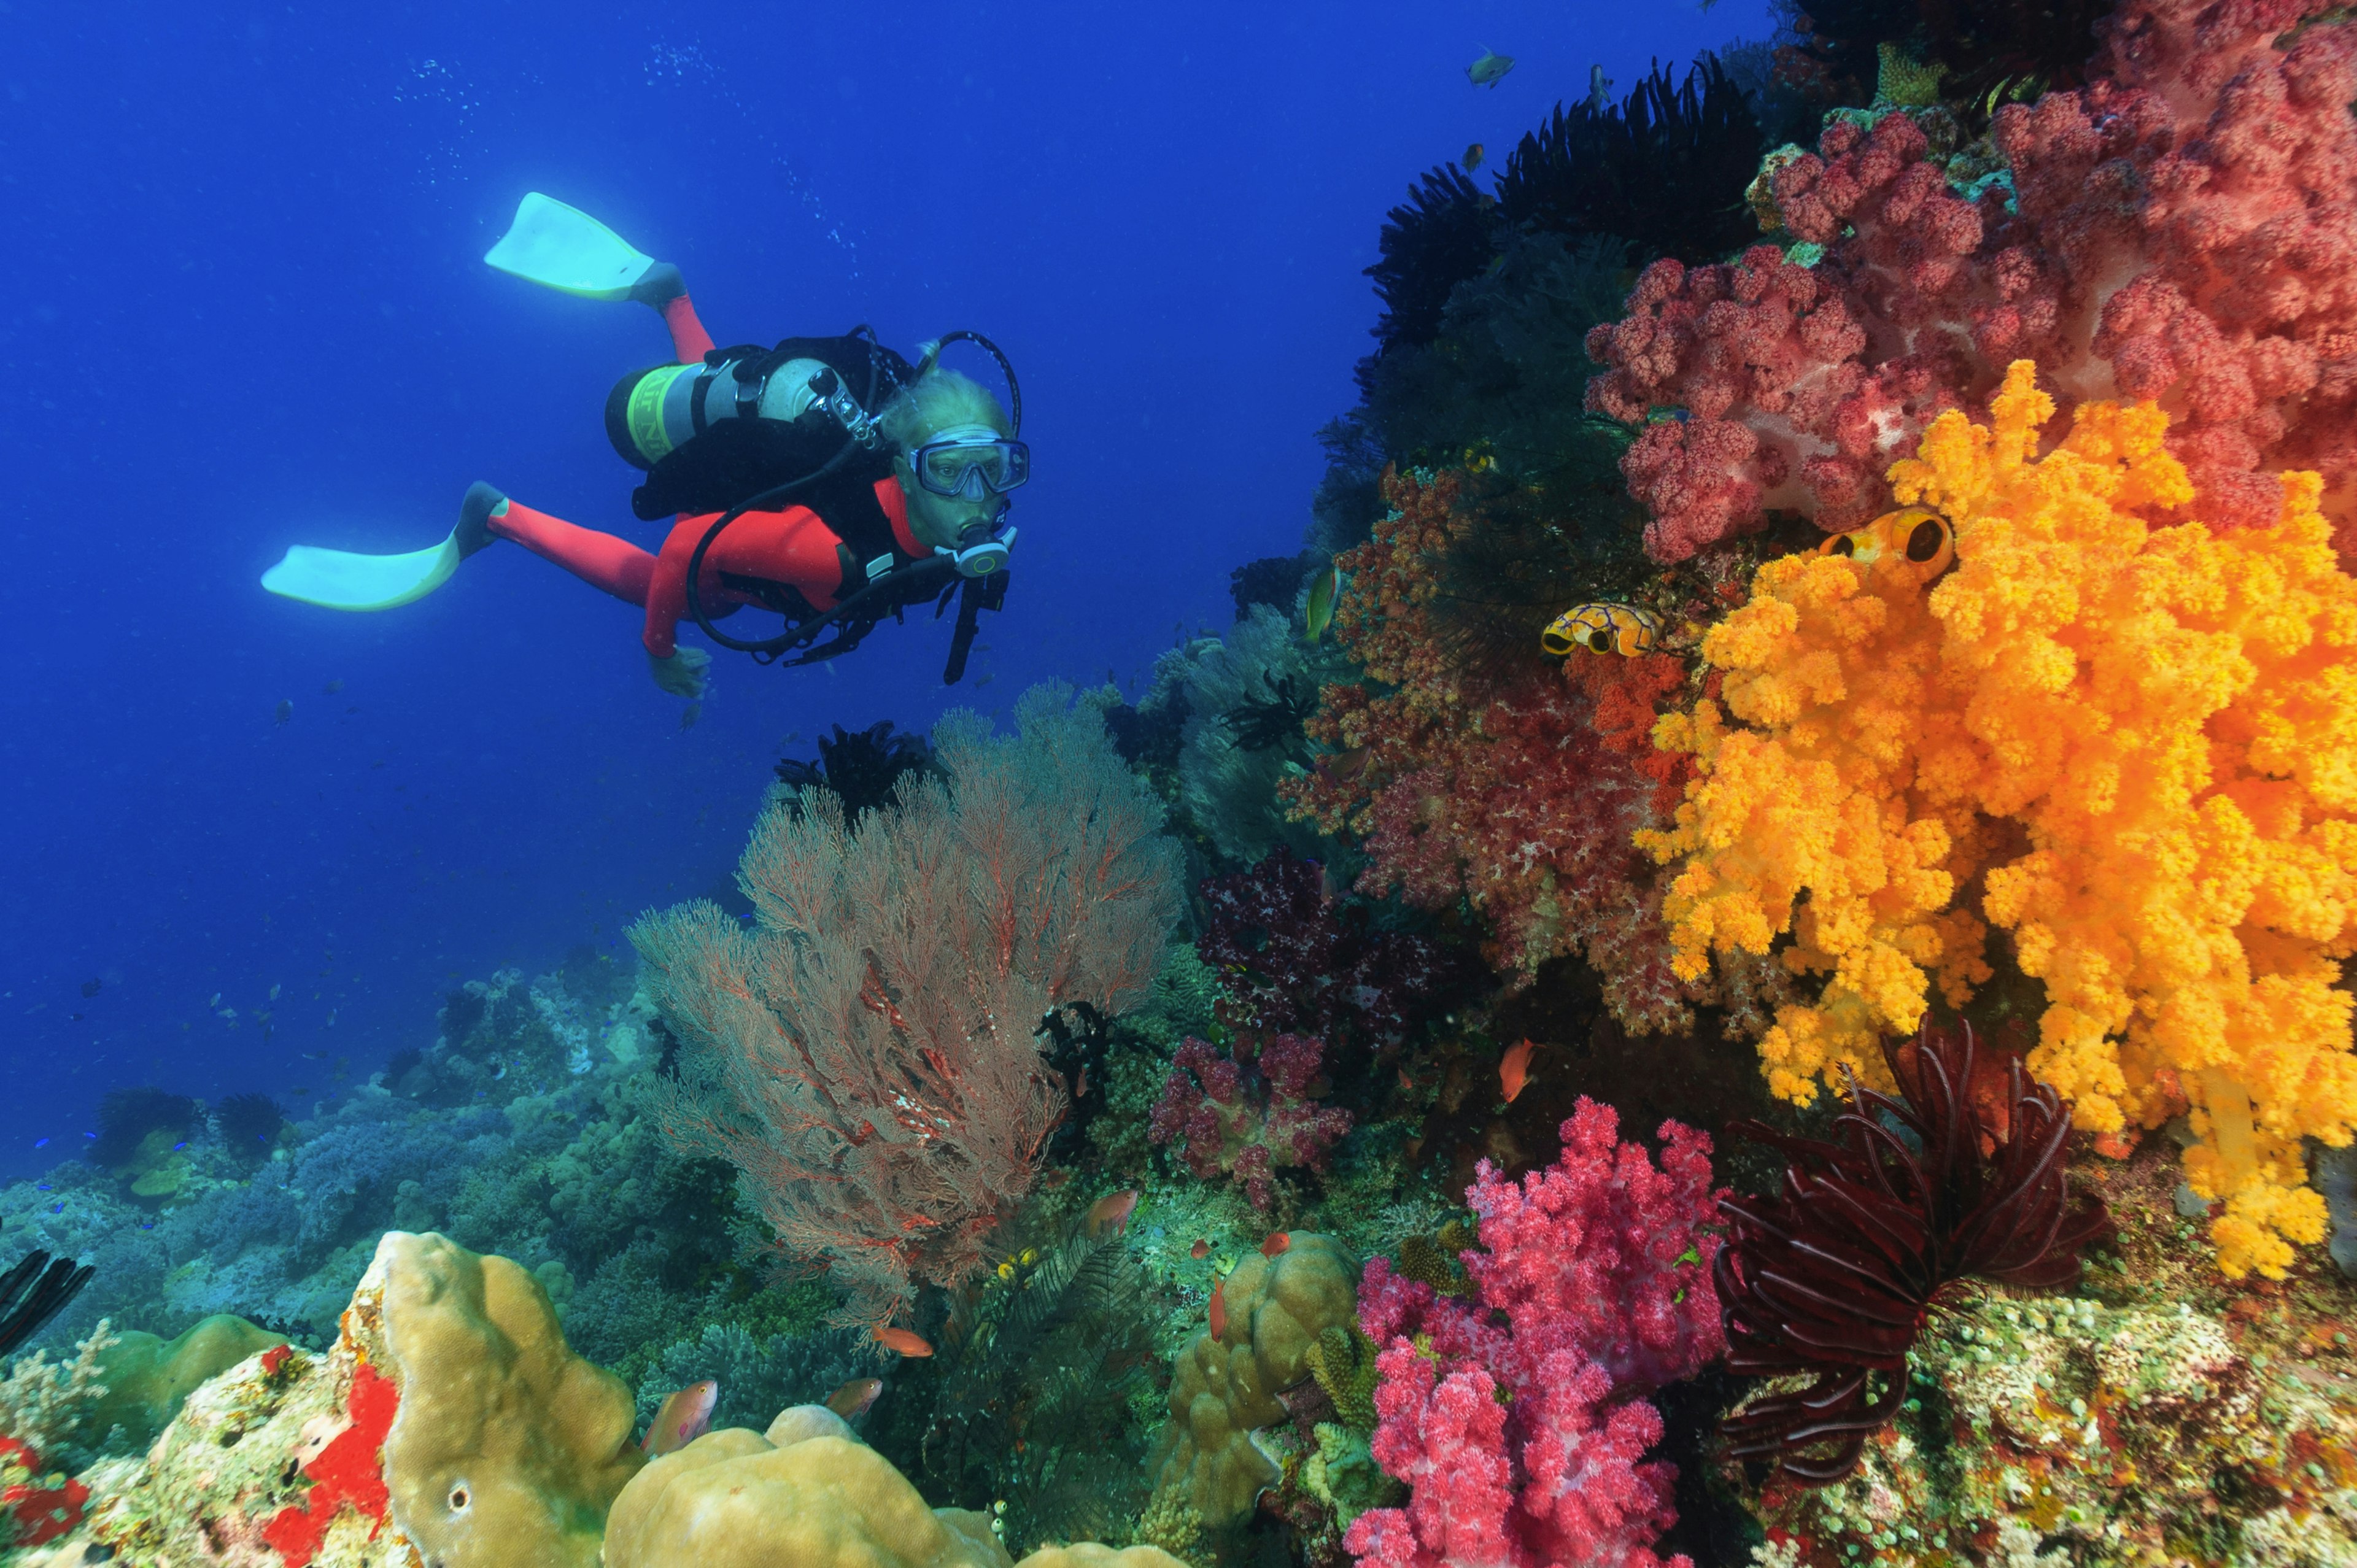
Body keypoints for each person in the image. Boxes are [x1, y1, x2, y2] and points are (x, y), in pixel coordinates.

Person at [261, 193, 1025, 695]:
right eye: (950, 472)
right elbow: (685, 549)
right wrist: (658, 650)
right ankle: (494, 515)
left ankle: (671, 296)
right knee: (696, 591)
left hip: (775, 437)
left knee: (746, 403)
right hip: (731, 531)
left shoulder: (949, 524)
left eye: (994, 471)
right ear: (903, 462)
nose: (978, 499)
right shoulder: (823, 552)